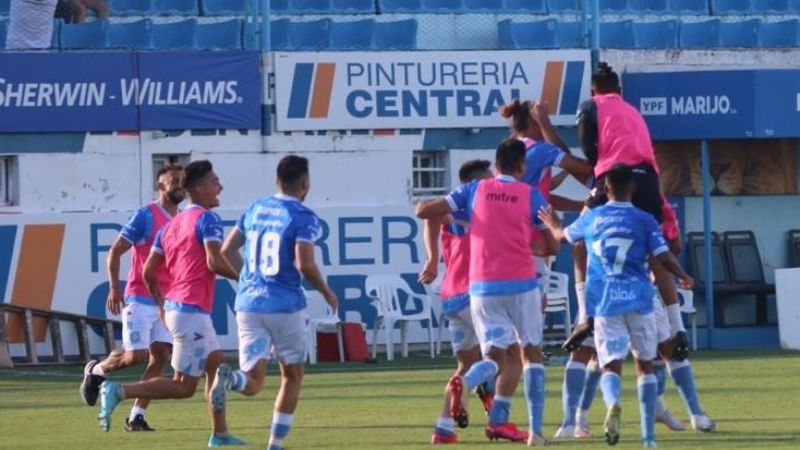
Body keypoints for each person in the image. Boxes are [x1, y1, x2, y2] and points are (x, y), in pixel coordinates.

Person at [539, 164, 694, 448]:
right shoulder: (645, 219)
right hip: (639, 301)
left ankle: (610, 406)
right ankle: (648, 437)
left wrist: (553, 224)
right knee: (644, 366)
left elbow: (564, 239)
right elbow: (663, 255)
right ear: (633, 189)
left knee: (609, 365)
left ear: (605, 188)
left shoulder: (593, 218)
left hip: (606, 303)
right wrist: (682, 275)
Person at [417, 138, 559, 445]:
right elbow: (551, 243)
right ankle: (520, 427)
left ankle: (448, 420)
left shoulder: (468, 199)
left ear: (496, 167)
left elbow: (426, 212)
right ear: (521, 167)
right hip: (512, 284)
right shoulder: (524, 194)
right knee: (524, 354)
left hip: (467, 292)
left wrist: (431, 259)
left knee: (480, 361)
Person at [96, 160, 245, 447]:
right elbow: (214, 262)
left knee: (215, 365)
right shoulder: (207, 219)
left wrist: (163, 305)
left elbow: (148, 271)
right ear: (199, 189)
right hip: (191, 311)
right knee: (183, 386)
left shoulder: (172, 224)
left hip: (178, 308)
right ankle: (119, 390)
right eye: (215, 182)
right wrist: (248, 278)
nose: (221, 187)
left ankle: (220, 434)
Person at [565, 62, 689, 362]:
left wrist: (597, 167)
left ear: (594, 90)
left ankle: (584, 314)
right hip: (648, 178)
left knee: (579, 241)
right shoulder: (633, 112)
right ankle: (677, 326)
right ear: (619, 91)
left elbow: (589, 150)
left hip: (616, 175)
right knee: (653, 249)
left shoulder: (590, 106)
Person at [215, 155, 338, 450]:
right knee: (292, 375)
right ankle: (275, 444)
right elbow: (305, 264)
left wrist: (246, 280)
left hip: (248, 305)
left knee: (254, 380)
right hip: (285, 307)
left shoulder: (256, 208)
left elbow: (226, 249)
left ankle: (232, 380)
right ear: (305, 183)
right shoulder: (303, 216)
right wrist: (326, 291)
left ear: (277, 181)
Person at [79, 165, 183, 432]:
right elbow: (115, 251)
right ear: (161, 186)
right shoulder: (146, 215)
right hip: (139, 296)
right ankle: (97, 371)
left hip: (164, 300)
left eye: (182, 181)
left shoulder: (183, 219)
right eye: (174, 181)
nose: (180, 185)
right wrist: (114, 287)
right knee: (134, 356)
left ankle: (136, 416)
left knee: (159, 356)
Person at [417, 159, 494, 444]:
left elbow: (430, 216)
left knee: (465, 366)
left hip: (451, 298)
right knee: (506, 355)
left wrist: (432, 259)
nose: (493, 184)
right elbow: (427, 213)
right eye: (488, 180)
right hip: (476, 294)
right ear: (474, 183)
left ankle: (443, 430)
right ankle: (495, 411)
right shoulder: (479, 206)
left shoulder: (451, 210)